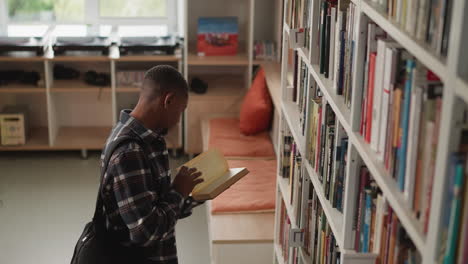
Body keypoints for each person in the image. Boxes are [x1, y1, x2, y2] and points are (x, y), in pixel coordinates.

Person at [100, 65, 204, 263]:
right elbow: (145, 232)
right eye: (180, 111)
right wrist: (180, 191)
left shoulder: (149, 139)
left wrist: (196, 194)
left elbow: (159, 206)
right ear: (169, 100)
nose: (178, 120)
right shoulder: (129, 153)